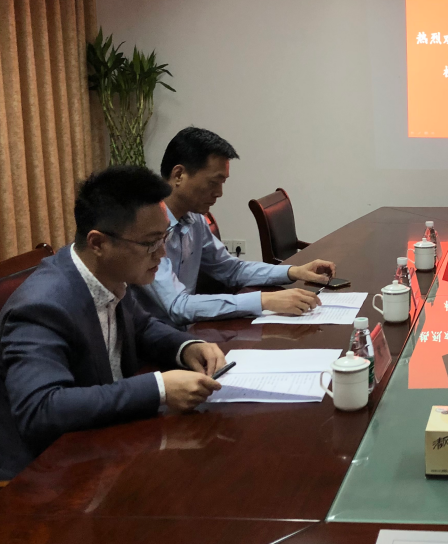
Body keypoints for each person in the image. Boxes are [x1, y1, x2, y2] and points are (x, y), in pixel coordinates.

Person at [0, 166, 228, 480]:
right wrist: (159, 389)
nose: (162, 253)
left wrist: (187, 347)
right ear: (98, 243)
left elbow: (142, 327)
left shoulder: (110, 275)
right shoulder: (41, 307)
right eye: (151, 243)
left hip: (107, 443)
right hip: (46, 473)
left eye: (163, 238)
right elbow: (41, 409)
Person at [135, 127, 336, 327]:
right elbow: (177, 306)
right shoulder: (144, 228)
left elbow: (231, 269)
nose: (219, 193)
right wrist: (263, 301)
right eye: (213, 182)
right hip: (153, 341)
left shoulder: (194, 219)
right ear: (179, 175)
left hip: (189, 334)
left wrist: (293, 271)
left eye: (222, 183)